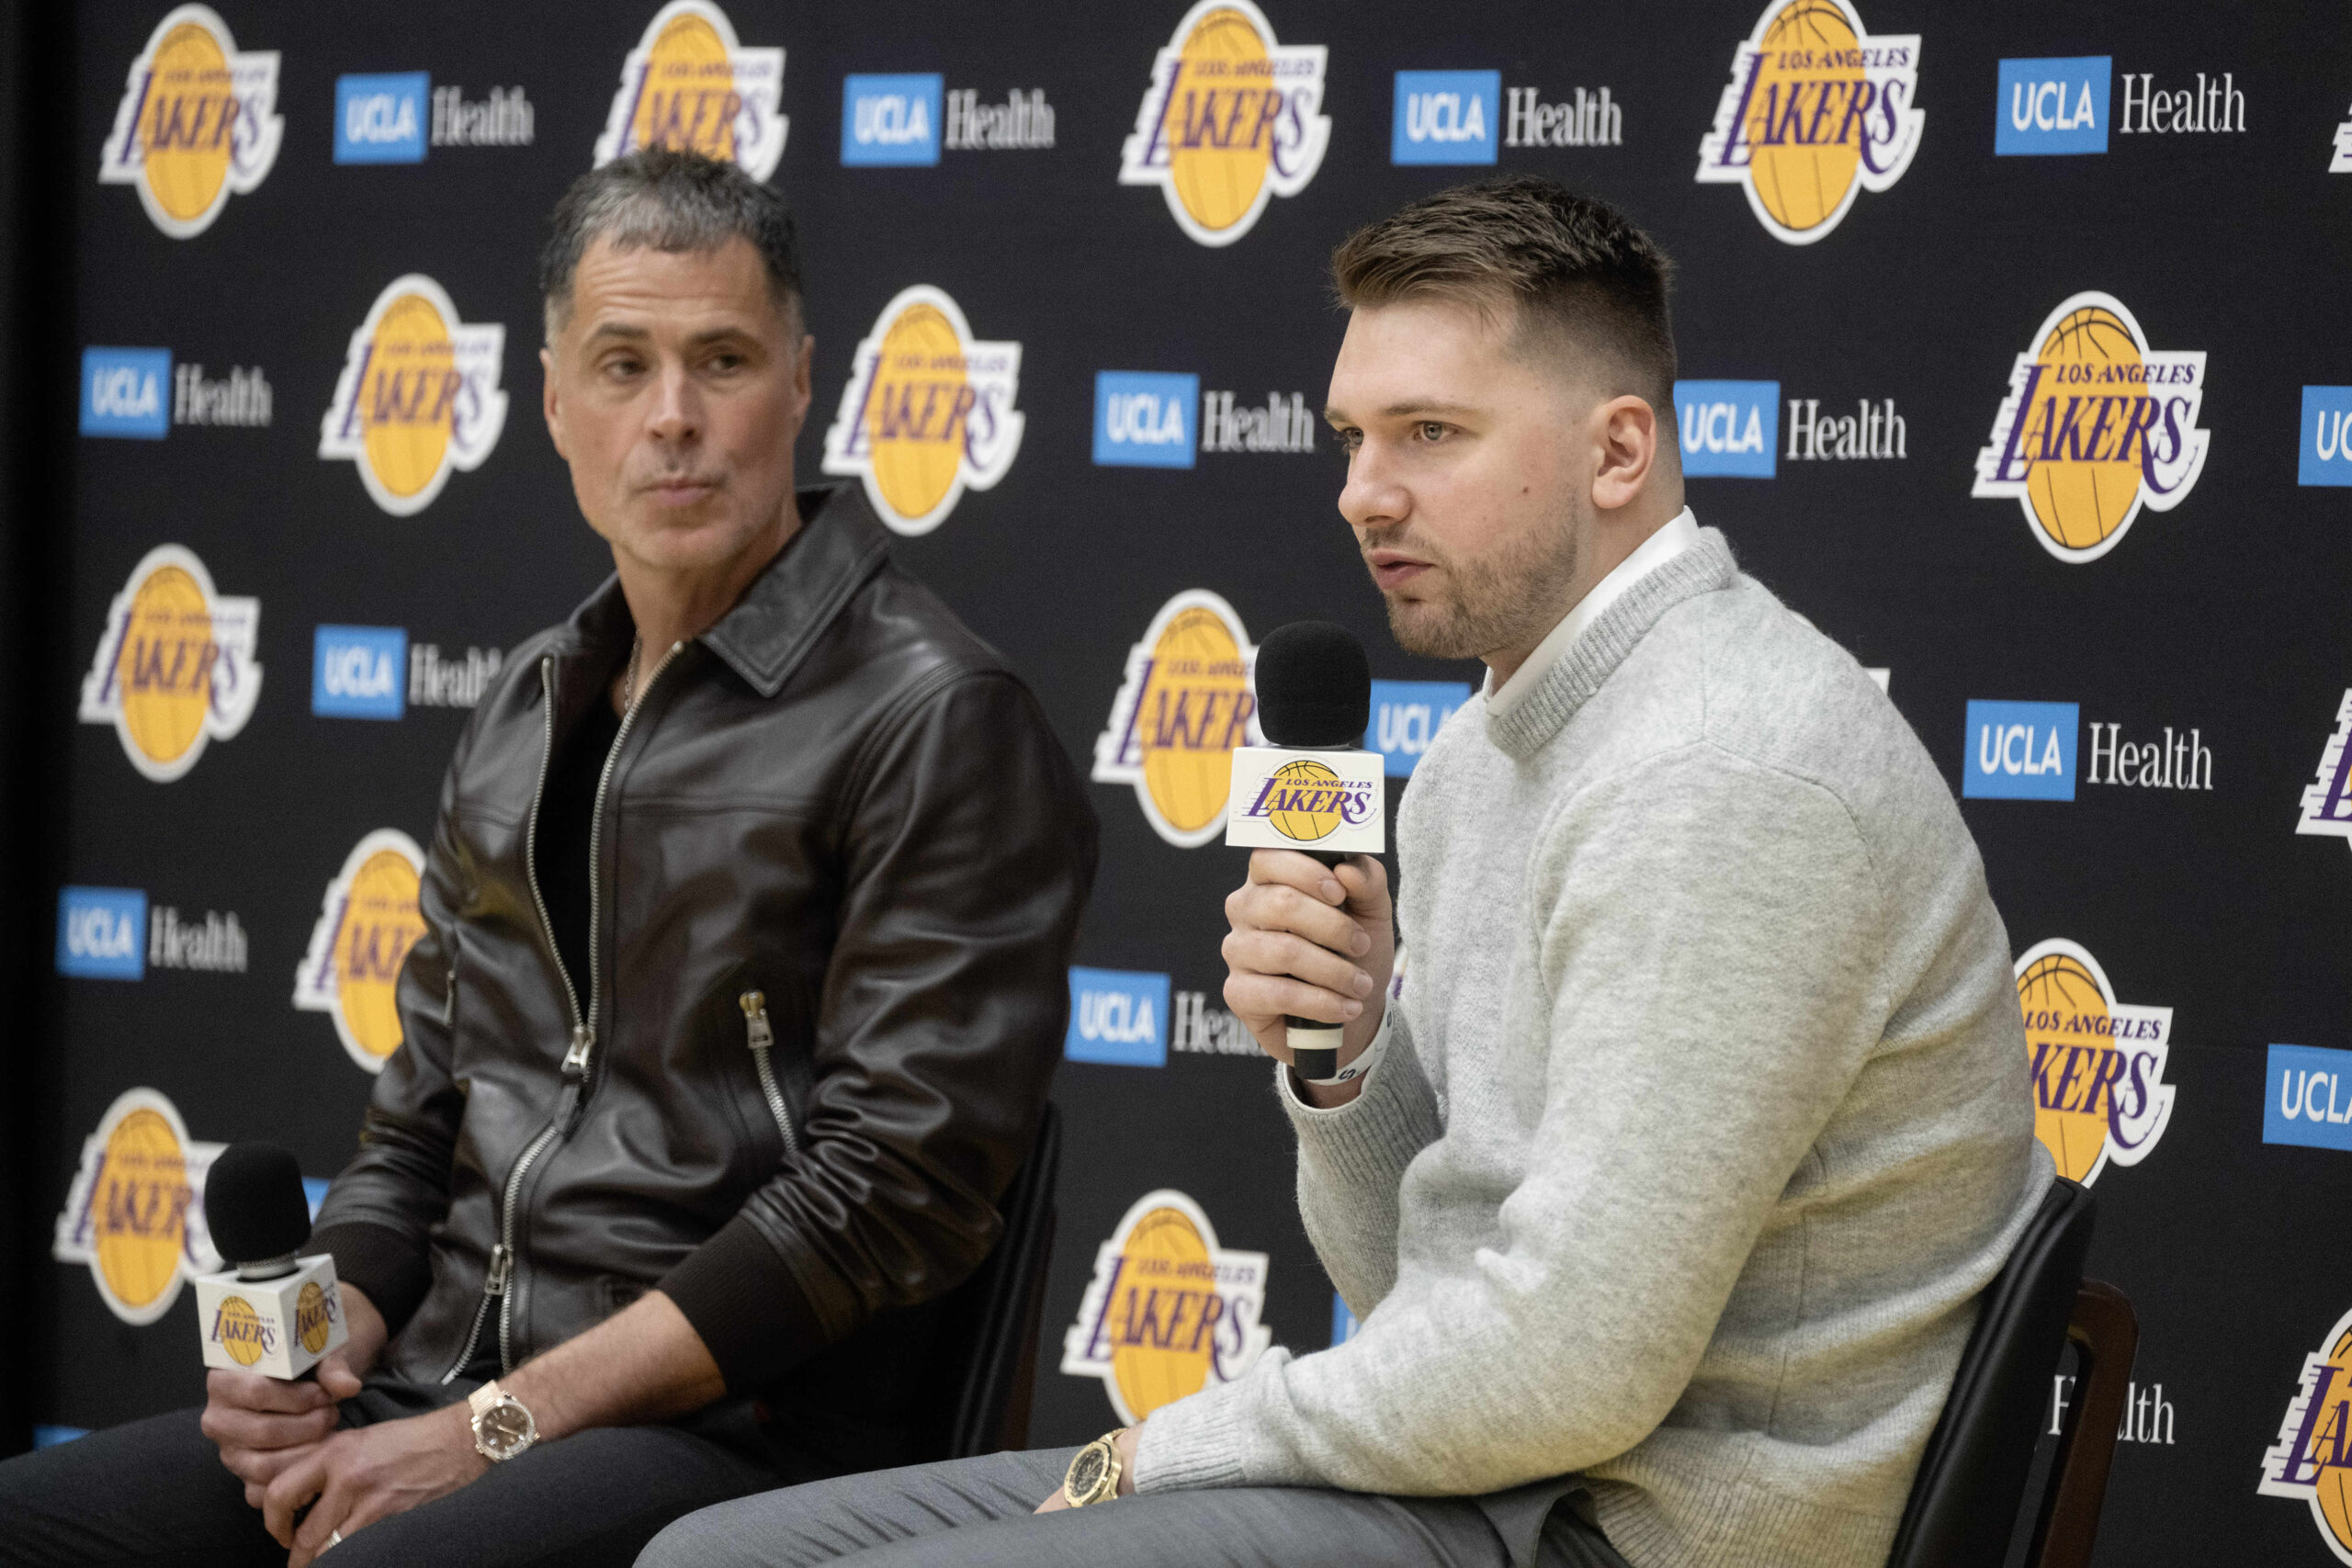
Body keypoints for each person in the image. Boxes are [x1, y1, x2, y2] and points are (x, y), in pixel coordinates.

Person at [636, 175, 2049, 1568]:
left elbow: (1569, 1367)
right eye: (1354, 436)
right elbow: (1422, 1291)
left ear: (1620, 453)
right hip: (1490, 1482)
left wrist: (1168, 1447)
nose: (1365, 493)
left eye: (1431, 433)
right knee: (705, 1559)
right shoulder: (1489, 751)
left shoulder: (1719, 776)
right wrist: (1350, 1061)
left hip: (1629, 1528)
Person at [0, 148, 1095, 1567]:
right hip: (440, 1383)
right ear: (553, 401)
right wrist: (312, 1355)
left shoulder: (940, 716)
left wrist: (498, 1427)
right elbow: (415, 1140)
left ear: (805, 382)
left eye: (723, 359)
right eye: (624, 364)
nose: (676, 419)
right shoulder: (526, 702)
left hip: (740, 1438)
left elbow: (881, 1197)